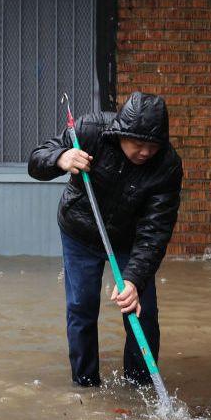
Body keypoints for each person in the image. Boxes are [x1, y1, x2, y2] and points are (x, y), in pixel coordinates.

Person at [28, 91, 183, 387]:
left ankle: (139, 386)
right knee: (82, 306)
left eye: (153, 146)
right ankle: (85, 384)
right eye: (138, 144)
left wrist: (135, 279)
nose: (146, 152)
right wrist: (61, 157)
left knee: (141, 310)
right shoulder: (89, 131)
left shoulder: (168, 166)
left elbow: (156, 230)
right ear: (122, 133)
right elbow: (35, 161)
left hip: (129, 240)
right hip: (81, 232)